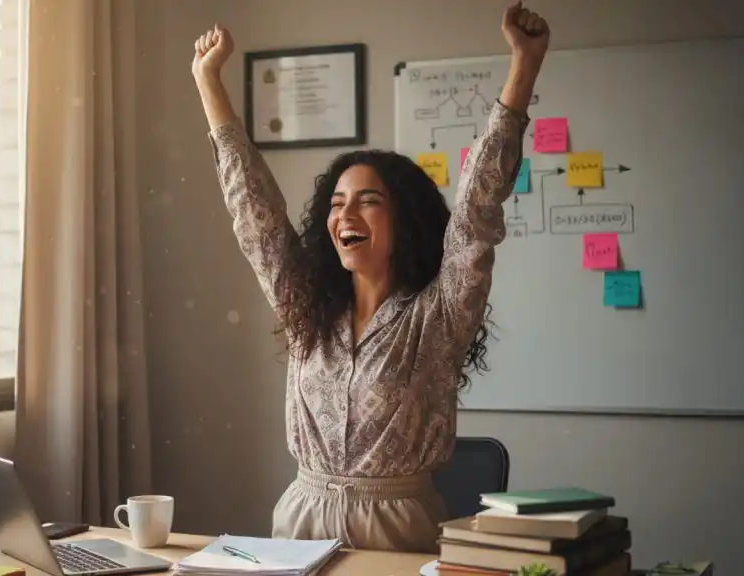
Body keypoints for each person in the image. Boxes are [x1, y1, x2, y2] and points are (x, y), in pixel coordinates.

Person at [191, 2, 549, 554]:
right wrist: (208, 83)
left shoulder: (439, 314)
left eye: (368, 202)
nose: (345, 217)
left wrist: (523, 67)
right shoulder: (306, 307)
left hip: (397, 527)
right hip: (300, 521)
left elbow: (477, 211)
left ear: (403, 220)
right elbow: (255, 215)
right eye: (336, 204)